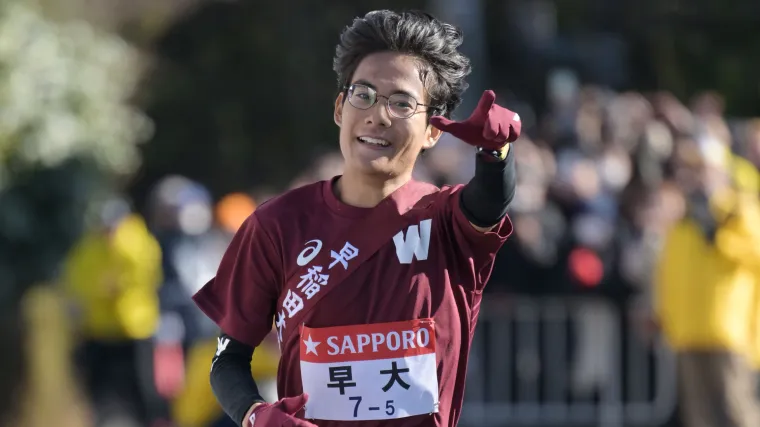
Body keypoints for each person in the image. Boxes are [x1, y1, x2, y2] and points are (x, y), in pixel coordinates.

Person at [192, 9, 521, 427]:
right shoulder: (277, 225)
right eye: (362, 94)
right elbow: (228, 359)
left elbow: (490, 202)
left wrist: (496, 154)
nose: (378, 115)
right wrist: (255, 416)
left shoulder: (446, 221)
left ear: (433, 131)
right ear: (338, 108)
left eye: (402, 103)